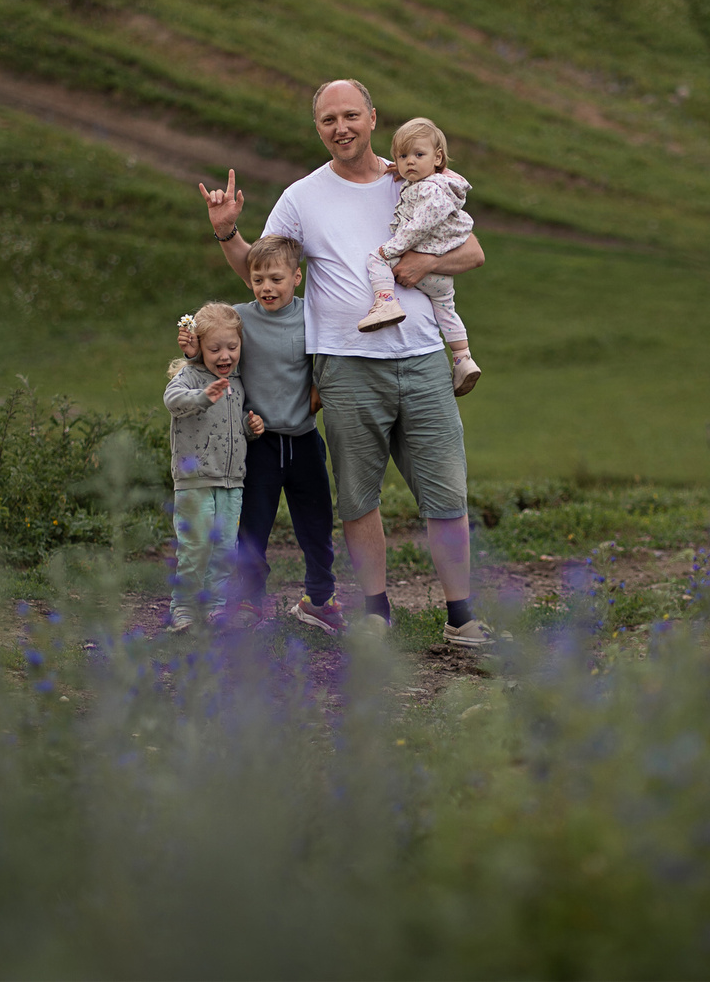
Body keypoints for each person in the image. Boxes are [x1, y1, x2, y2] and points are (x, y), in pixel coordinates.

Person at [196, 79, 491, 647]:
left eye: (351, 115)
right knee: (358, 497)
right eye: (329, 120)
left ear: (373, 117)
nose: (341, 128)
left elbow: (473, 251)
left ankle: (462, 617)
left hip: (425, 357)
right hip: (347, 366)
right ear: (318, 129)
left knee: (447, 493)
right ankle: (376, 615)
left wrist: (419, 264)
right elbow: (264, 276)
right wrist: (228, 232)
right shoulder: (302, 196)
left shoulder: (410, 180)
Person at [230, 235, 344, 635]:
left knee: (316, 524)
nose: (267, 288)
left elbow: (332, 357)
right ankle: (248, 599)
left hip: (303, 440)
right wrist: (191, 342)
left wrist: (320, 390)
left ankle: (320, 600)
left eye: (276, 279)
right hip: (259, 445)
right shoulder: (239, 319)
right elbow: (212, 344)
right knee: (252, 525)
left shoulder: (312, 316)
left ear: (297, 277)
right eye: (258, 279)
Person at [357, 118, 482, 396]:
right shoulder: (446, 183)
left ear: (437, 158)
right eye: (402, 157)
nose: (409, 162)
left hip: (422, 258)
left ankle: (386, 302)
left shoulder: (429, 189)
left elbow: (420, 225)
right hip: (440, 279)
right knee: (446, 311)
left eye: (418, 155)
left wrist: (394, 247)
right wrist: (410, 170)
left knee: (375, 259)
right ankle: (463, 358)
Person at [163, 302, 251, 633]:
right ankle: (182, 608)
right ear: (199, 347)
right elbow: (172, 402)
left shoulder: (238, 382)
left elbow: (230, 426)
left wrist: (249, 426)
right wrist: (202, 396)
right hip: (195, 480)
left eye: (232, 346)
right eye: (215, 348)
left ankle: (216, 607)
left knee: (225, 548)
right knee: (196, 546)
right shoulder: (189, 377)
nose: (224, 355)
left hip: (231, 481)